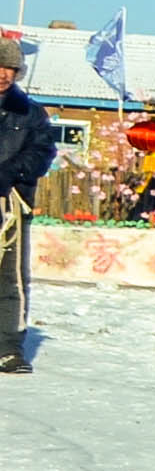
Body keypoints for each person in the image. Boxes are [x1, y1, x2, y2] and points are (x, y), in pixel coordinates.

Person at [0, 34, 55, 373]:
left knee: (10, 279)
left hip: (11, 205)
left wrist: (8, 174)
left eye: (11, 68)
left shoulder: (32, 113)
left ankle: (8, 348)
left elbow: (42, 152)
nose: (4, 73)